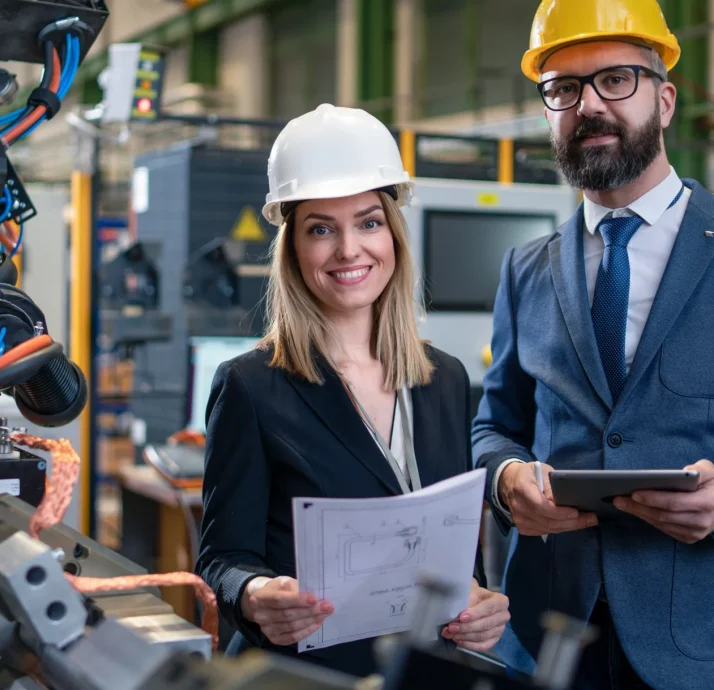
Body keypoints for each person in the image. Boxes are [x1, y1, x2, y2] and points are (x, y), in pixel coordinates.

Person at [195, 103, 510, 678]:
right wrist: (255, 592)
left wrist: (479, 606)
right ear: (292, 247)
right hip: (302, 673)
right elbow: (222, 559)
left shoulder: (444, 379)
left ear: (393, 233)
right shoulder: (251, 386)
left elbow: (454, 547)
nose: (349, 250)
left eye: (368, 222)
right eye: (322, 229)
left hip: (421, 670)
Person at [472, 1, 714, 689]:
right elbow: (496, 425)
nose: (588, 106)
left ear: (665, 101)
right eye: (564, 88)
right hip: (548, 636)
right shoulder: (528, 269)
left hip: (695, 638)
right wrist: (508, 479)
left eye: (616, 80)